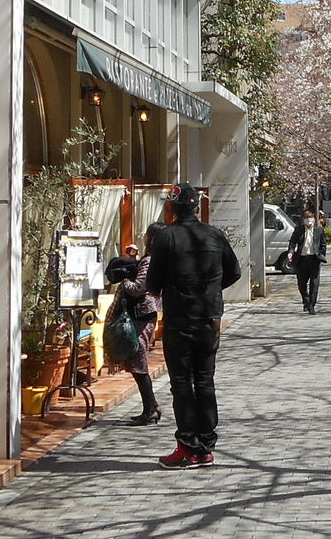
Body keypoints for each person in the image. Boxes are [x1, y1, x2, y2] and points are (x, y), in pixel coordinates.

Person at [145, 183, 241, 469]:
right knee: (205, 380)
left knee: (182, 383)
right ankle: (206, 446)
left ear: (172, 207)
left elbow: (152, 284)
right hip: (210, 318)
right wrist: (210, 289)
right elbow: (234, 272)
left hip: (180, 319)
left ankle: (188, 446)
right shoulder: (215, 235)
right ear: (197, 206)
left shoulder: (165, 237)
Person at [105, 234, 163, 425]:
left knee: (139, 362)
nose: (145, 237)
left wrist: (124, 279)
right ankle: (151, 406)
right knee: (137, 362)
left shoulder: (150, 260)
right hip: (142, 315)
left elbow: (138, 288)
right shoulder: (150, 259)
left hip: (141, 316)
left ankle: (150, 409)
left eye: (148, 234)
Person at [288, 208, 329, 313]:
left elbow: (323, 244)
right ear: (303, 219)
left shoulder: (319, 230)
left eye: (310, 217)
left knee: (314, 284)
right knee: (301, 284)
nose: (308, 219)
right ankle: (306, 301)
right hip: (301, 260)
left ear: (314, 219)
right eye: (306, 218)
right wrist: (290, 252)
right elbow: (292, 243)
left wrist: (321, 255)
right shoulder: (298, 230)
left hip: (314, 259)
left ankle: (311, 306)